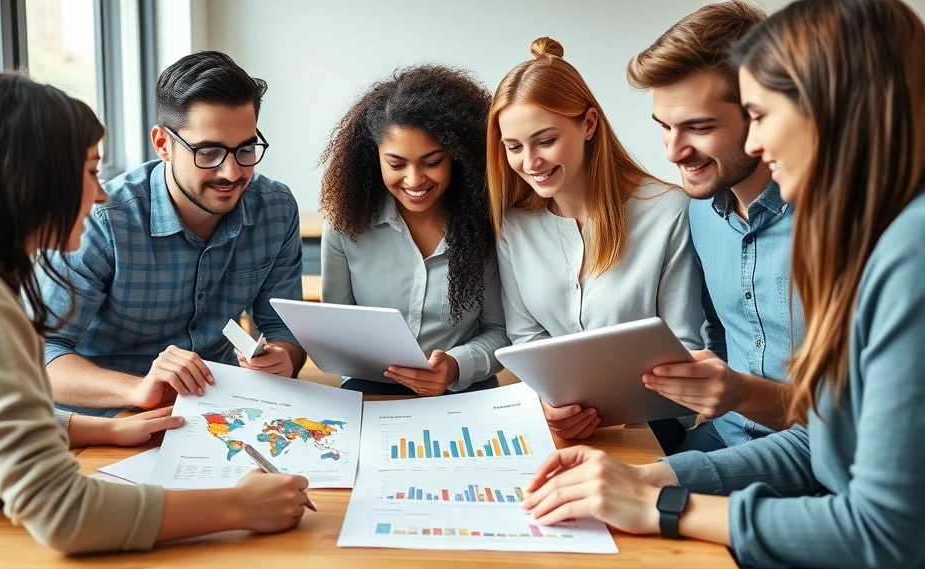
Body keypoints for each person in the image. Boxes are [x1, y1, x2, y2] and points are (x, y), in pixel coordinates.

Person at [524, 0, 925, 569]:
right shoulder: (852, 232)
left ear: (827, 111)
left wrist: (659, 503)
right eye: (664, 126)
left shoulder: (902, 249)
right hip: (764, 469)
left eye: (761, 115)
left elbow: (880, 526)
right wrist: (646, 480)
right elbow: (826, 442)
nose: (759, 144)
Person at [0, 73, 312, 569]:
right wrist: (239, 507)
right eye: (89, 172)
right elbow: (63, 512)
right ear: (32, 181)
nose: (100, 195)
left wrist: (103, 431)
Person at [38, 51, 306, 417]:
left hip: (217, 409)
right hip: (109, 416)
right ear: (163, 144)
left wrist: (284, 358)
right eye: (209, 152)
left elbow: (282, 329)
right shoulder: (104, 220)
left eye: (245, 150)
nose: (231, 172)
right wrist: (139, 389)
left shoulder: (275, 208)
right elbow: (39, 354)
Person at [488, 37, 704, 439]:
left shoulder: (667, 211)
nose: (530, 163)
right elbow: (525, 338)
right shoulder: (513, 224)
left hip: (651, 425)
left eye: (545, 141)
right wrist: (550, 406)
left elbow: (683, 345)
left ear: (588, 125)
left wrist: (611, 413)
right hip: (556, 426)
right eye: (514, 147)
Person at [626, 0, 805, 455]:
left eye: (697, 127)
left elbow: (858, 419)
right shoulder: (699, 212)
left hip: (812, 459)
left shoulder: (840, 222)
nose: (672, 152)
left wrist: (741, 393)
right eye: (663, 126)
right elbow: (720, 338)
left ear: (760, 112)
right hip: (722, 438)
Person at [319, 65, 508, 396]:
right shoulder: (344, 228)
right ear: (372, 159)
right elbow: (336, 333)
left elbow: (500, 332)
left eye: (432, 162)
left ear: (458, 157)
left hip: (461, 392)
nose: (414, 180)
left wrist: (455, 365)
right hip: (370, 390)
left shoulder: (488, 226)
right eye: (396, 164)